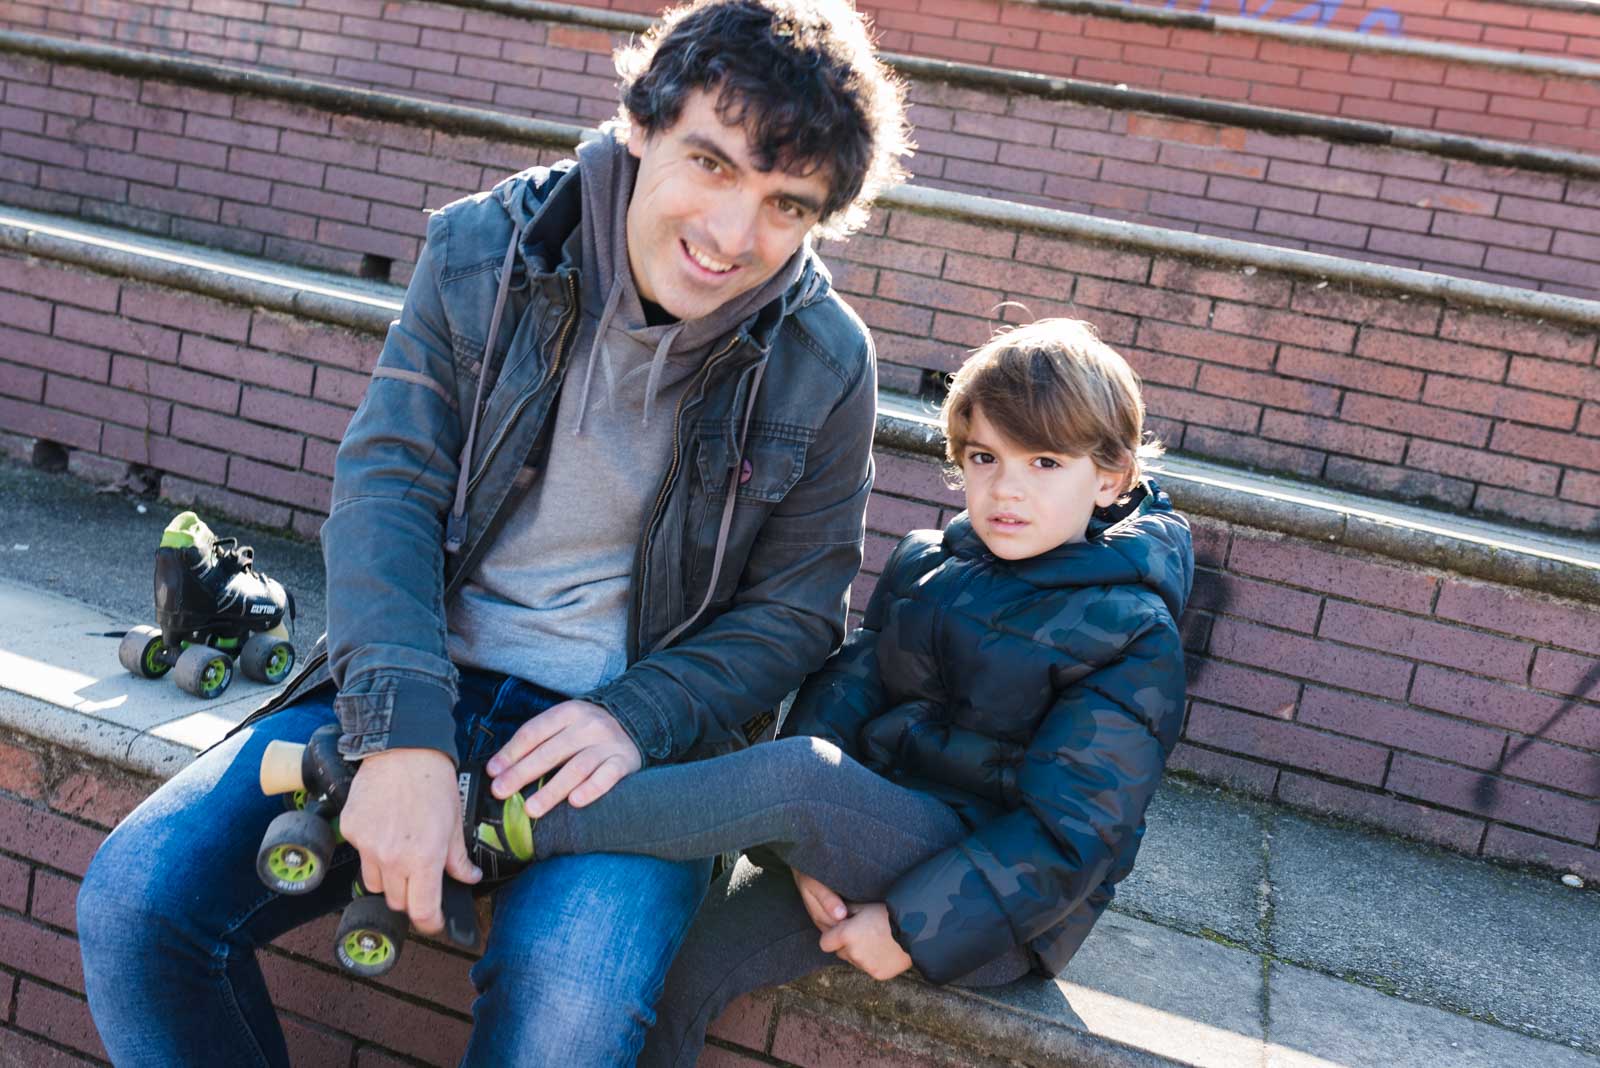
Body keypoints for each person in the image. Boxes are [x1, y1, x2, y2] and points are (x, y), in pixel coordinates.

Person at [75, 2, 910, 1064]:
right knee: (138, 904)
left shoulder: (826, 360)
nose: (733, 237)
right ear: (641, 125)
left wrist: (635, 715)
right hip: (422, 668)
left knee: (567, 1012)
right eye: (711, 163)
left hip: (638, 751)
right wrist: (404, 733)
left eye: (787, 205)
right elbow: (387, 494)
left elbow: (793, 613)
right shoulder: (486, 248)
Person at [484, 318, 1195, 1065]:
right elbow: (845, 695)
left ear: (1111, 477)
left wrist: (910, 926)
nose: (1006, 489)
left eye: (1044, 462)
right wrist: (815, 854)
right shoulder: (931, 566)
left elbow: (1072, 836)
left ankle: (512, 822)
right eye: (985, 457)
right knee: (685, 962)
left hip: (997, 913)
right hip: (875, 839)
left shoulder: (1131, 632)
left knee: (799, 779)